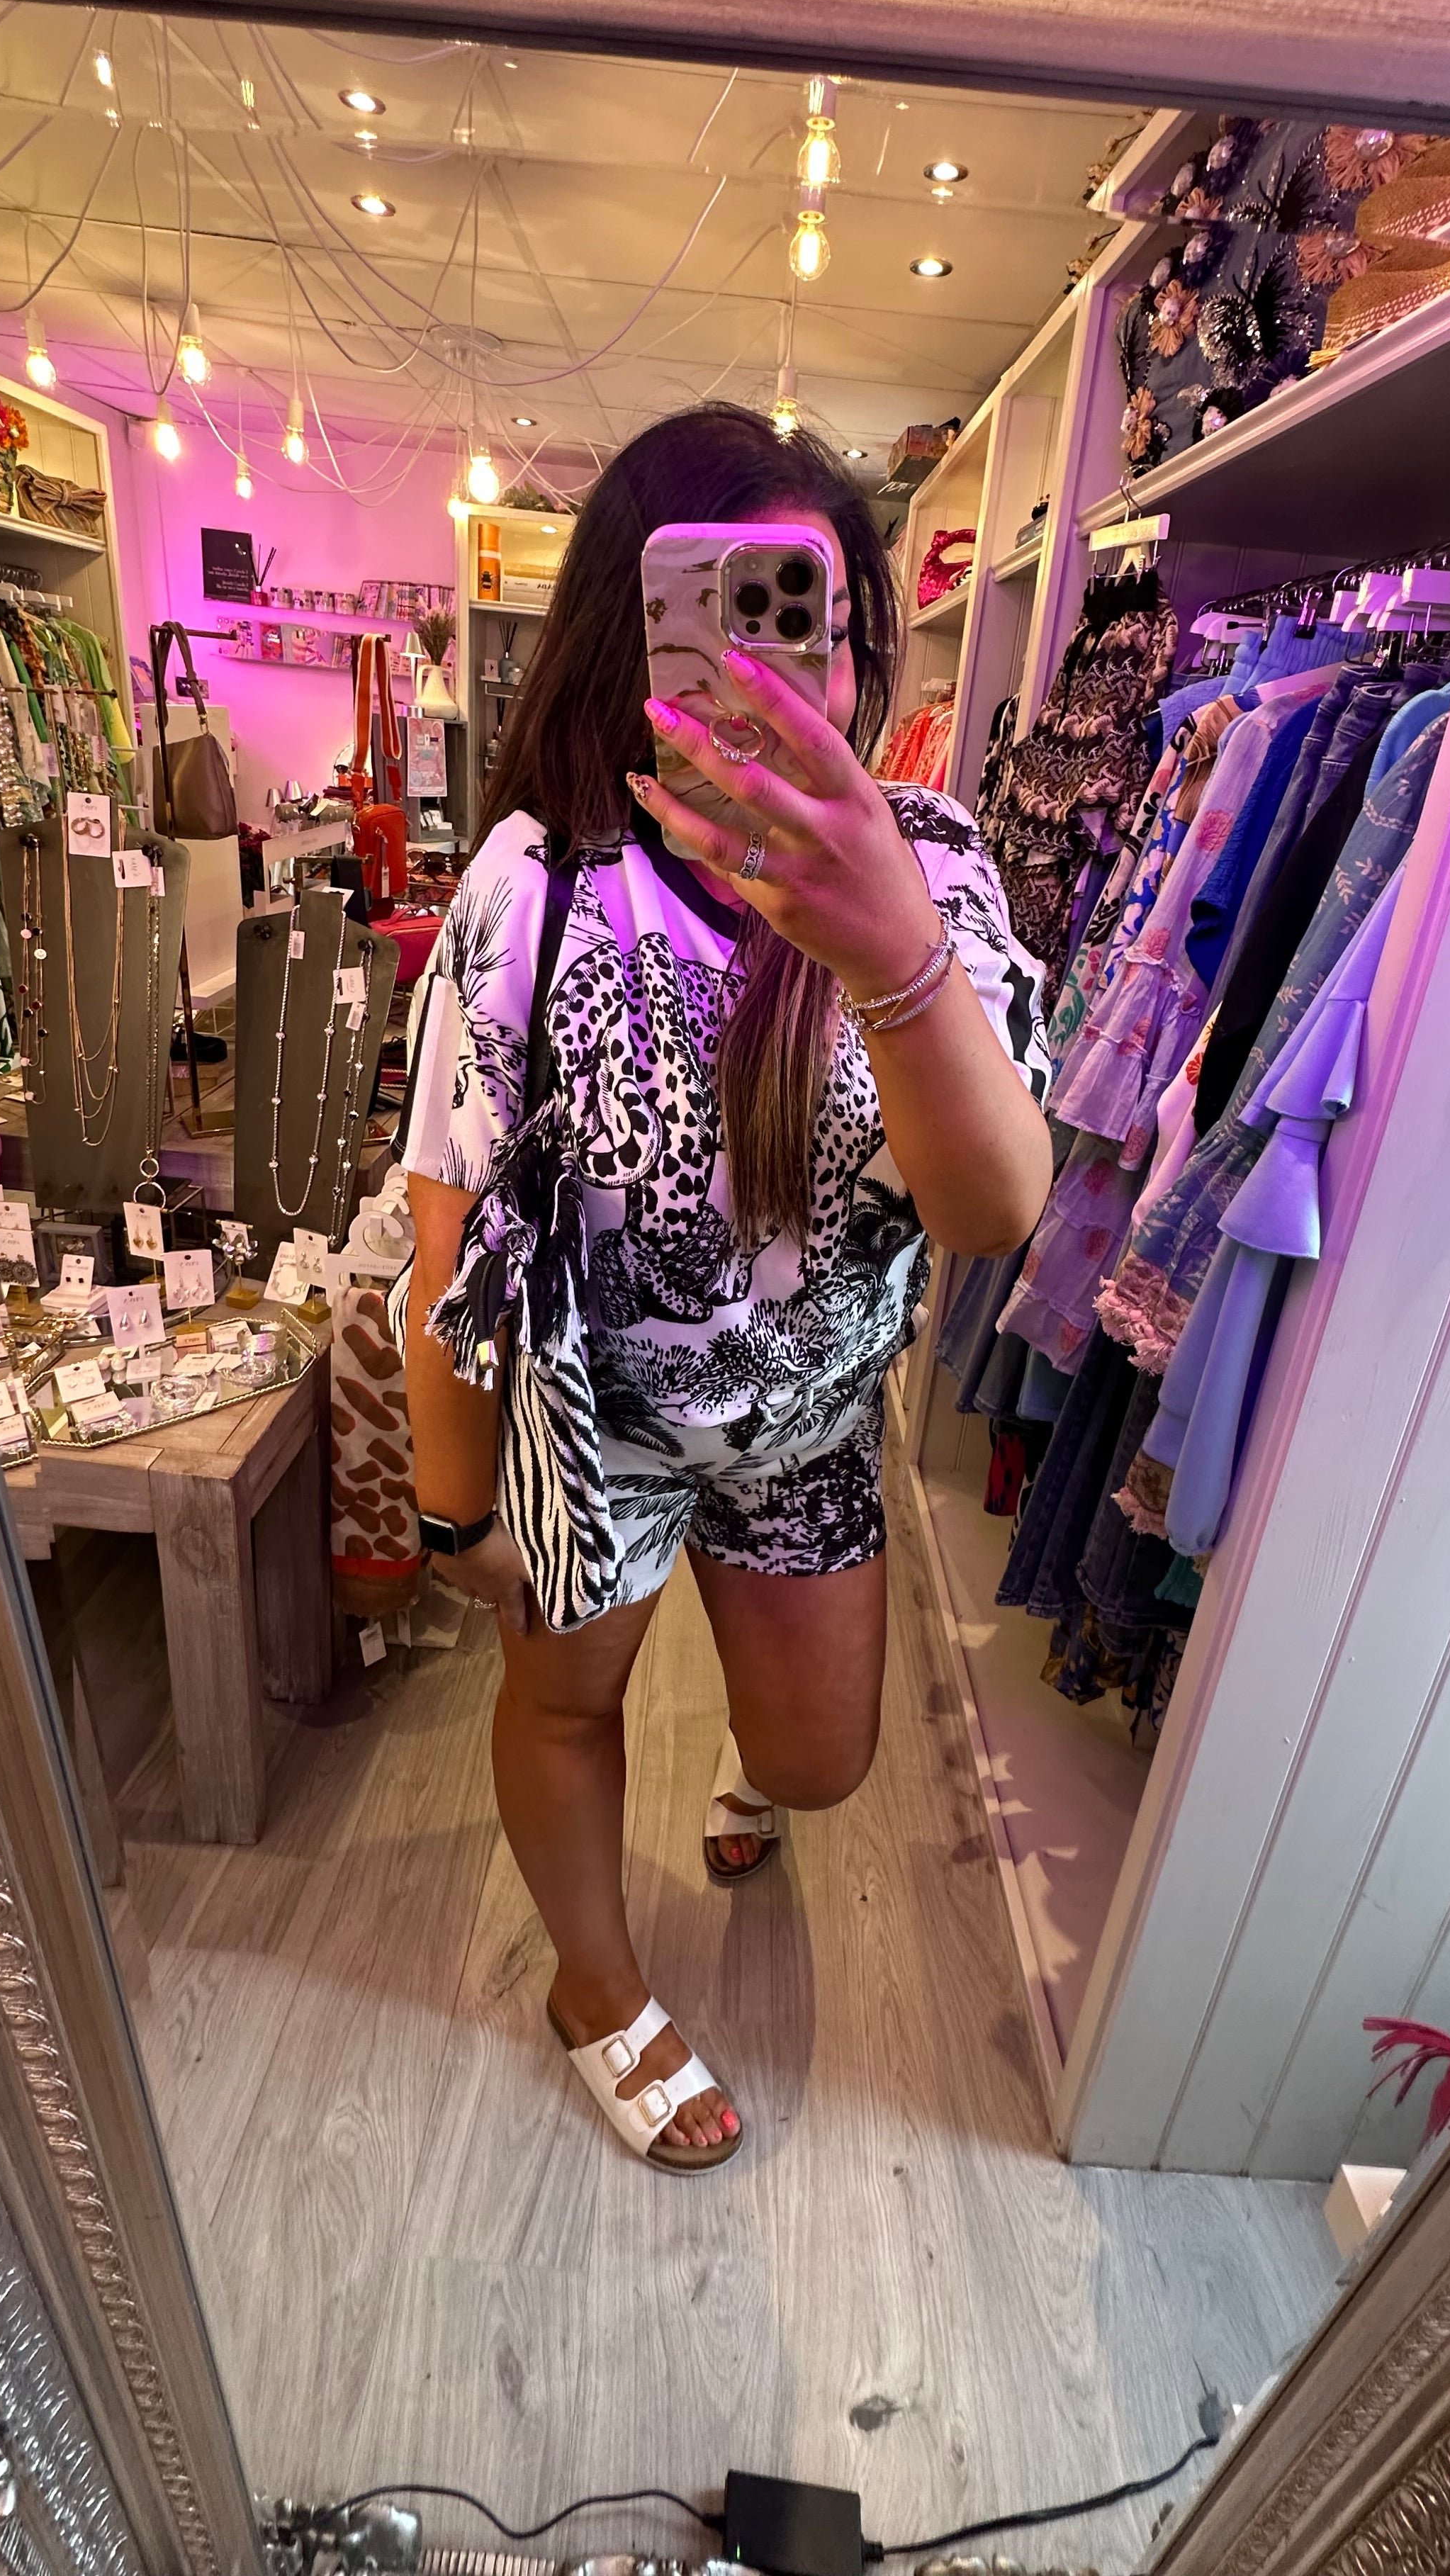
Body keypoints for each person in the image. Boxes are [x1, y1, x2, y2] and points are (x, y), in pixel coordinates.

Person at [400, 403, 1051, 2173]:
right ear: (635, 634)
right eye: (725, 610)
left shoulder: (933, 866)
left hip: (808, 1417)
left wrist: (887, 944)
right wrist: (454, 1499)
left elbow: (994, 1210)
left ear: (857, 646)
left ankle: (746, 1756)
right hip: (596, 1421)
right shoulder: (540, 878)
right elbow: (451, 1202)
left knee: (822, 1763)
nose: (782, 665)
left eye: (811, 617)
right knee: (562, 1703)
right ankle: (595, 1989)